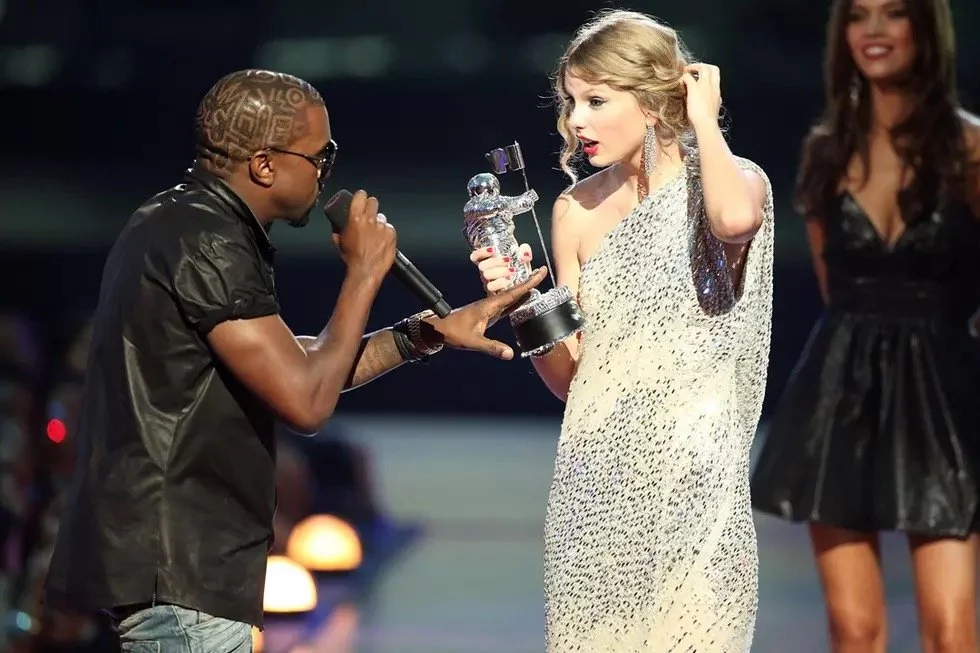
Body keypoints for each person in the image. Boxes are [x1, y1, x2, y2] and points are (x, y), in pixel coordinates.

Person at [40, 69, 547, 653]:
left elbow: (299, 363)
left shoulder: (184, 223)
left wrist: (424, 334)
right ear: (264, 165)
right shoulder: (205, 239)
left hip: (186, 571)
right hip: (181, 572)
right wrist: (363, 274)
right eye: (320, 154)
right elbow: (306, 400)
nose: (328, 170)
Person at [470, 10, 774, 652]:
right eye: (571, 101)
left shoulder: (732, 181)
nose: (577, 120)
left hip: (697, 483)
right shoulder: (573, 211)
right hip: (594, 486)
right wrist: (517, 304)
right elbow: (571, 378)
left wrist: (703, 122)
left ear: (654, 98)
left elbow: (733, 221)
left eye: (597, 100)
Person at [750, 0, 980, 651]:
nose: (874, 31)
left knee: (951, 630)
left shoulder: (970, 147)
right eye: (859, 16)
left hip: (944, 399)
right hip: (840, 391)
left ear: (924, 28)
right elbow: (833, 286)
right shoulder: (826, 151)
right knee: (854, 629)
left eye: (893, 14)